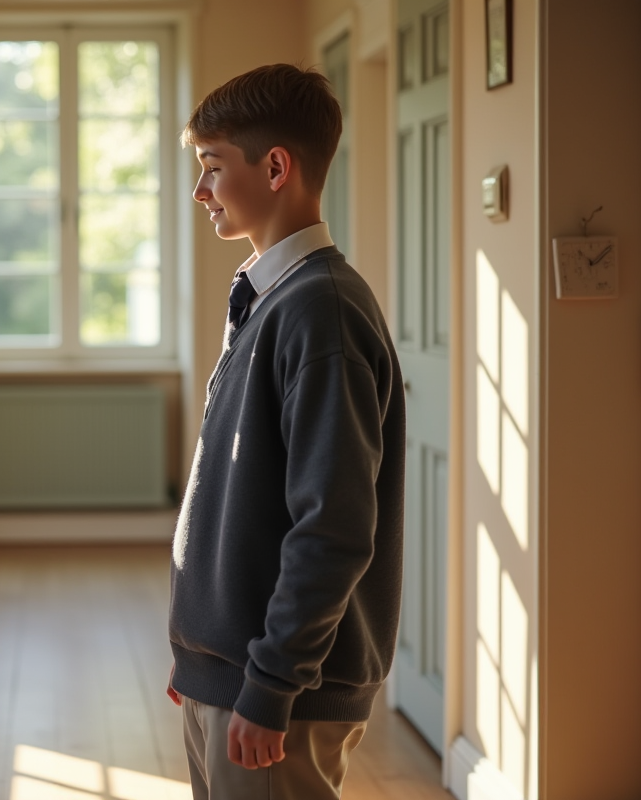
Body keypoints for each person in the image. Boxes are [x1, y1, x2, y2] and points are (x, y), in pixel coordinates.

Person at [166, 64, 405, 800]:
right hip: (231, 673)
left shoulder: (319, 311)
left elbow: (332, 526)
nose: (200, 190)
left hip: (276, 691)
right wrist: (204, 660)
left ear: (275, 167)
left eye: (212, 168)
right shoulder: (270, 296)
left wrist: (270, 680)